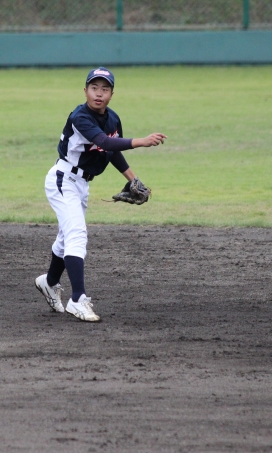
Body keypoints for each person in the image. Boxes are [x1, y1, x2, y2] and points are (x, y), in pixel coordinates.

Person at [35, 67, 167, 322]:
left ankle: (49, 283)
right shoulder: (80, 117)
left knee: (66, 237)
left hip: (81, 184)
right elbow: (104, 142)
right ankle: (78, 300)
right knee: (76, 234)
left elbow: (111, 151)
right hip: (63, 179)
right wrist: (141, 141)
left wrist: (132, 179)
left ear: (111, 94)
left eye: (104, 89)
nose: (99, 93)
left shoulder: (112, 119)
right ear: (85, 91)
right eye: (94, 88)